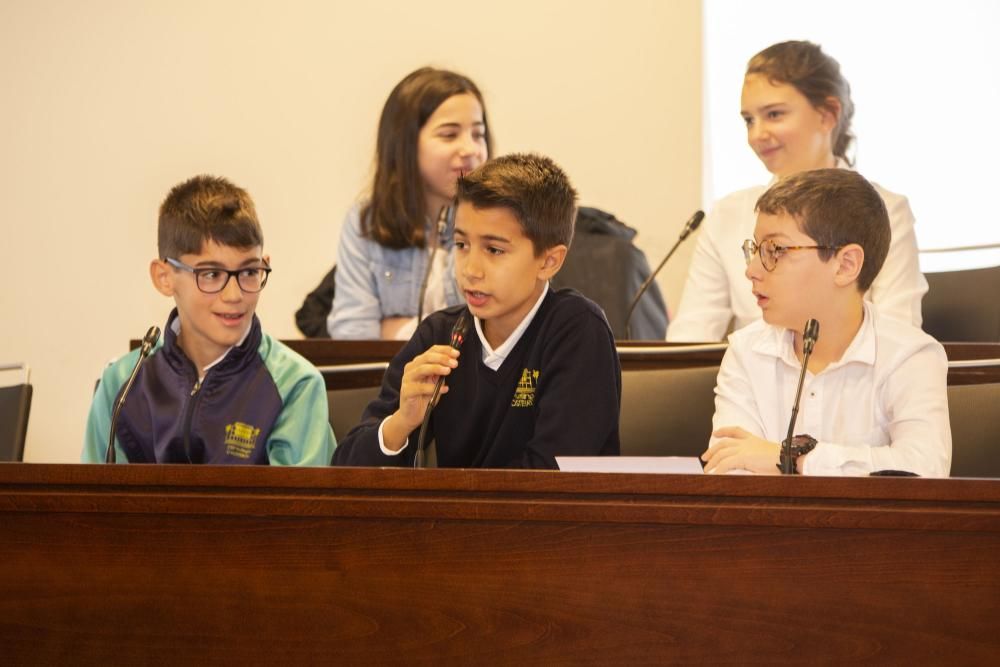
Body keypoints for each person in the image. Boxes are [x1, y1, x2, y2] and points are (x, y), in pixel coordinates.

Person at [332, 154, 621, 469]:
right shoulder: (440, 334)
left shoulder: (577, 330)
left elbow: (551, 476)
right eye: (461, 245)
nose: (470, 269)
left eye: (494, 250)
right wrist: (402, 422)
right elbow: (345, 467)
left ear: (549, 261)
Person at [668, 40, 927, 342]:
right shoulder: (727, 214)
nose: (756, 134)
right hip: (752, 386)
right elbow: (689, 342)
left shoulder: (886, 210)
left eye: (774, 114)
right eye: (749, 120)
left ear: (828, 114)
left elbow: (900, 337)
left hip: (857, 386)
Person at [702, 168, 951, 477]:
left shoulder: (910, 356)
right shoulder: (745, 351)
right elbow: (728, 468)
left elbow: (924, 470)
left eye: (775, 250)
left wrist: (792, 460)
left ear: (846, 265)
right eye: (755, 250)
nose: (752, 270)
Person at [82, 175, 335, 465]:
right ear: (164, 278)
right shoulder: (122, 385)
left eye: (249, 272)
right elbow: (98, 503)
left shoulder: (295, 385)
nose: (234, 294)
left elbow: (296, 506)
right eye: (212, 275)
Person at [328, 67, 492, 340]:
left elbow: (503, 331)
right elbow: (353, 335)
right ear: (405, 144)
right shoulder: (366, 221)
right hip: (396, 382)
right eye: (449, 135)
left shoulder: (500, 218)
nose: (471, 149)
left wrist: (396, 329)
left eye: (478, 134)